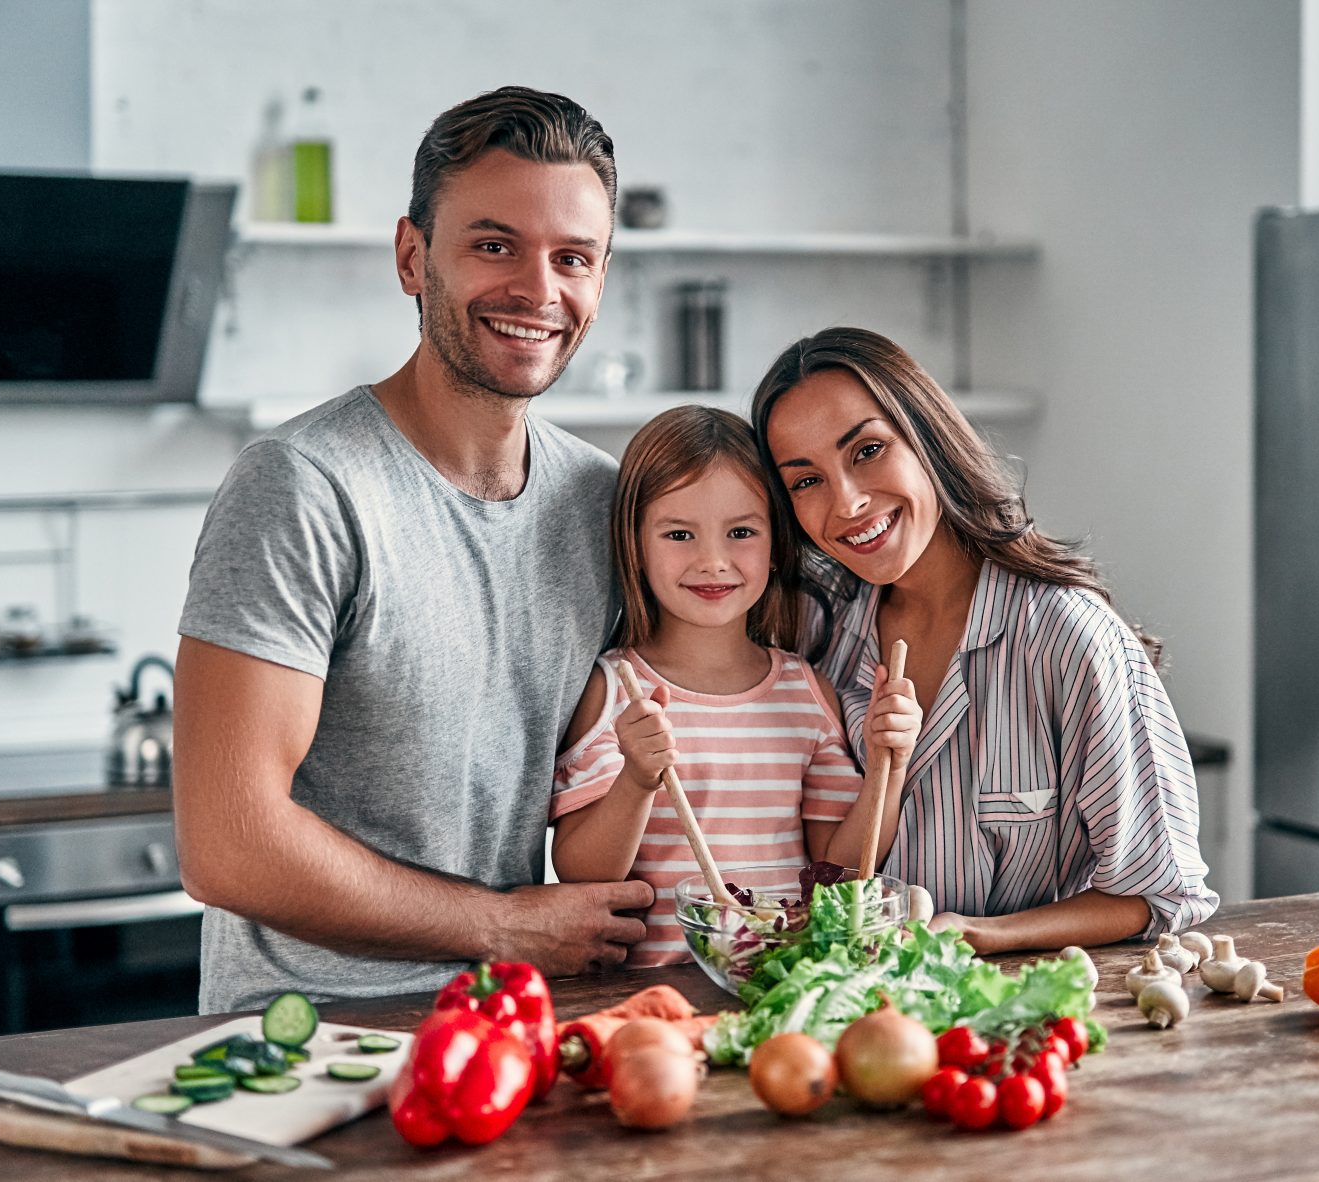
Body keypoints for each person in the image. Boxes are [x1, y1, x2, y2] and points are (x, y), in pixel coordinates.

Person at [172, 86, 654, 1014]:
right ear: (411, 256)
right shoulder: (304, 486)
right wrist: (509, 927)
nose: (537, 290)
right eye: (493, 245)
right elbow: (227, 843)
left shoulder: (605, 502)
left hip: (511, 1025)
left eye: (573, 258)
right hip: (310, 1037)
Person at [751, 327, 1219, 954]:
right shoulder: (812, 637)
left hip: (1020, 1017)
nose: (849, 502)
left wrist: (981, 935)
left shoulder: (1066, 637)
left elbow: (1161, 893)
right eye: (806, 481)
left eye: (866, 451)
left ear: (928, 439)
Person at [548, 406, 922, 966]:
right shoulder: (613, 690)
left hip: (781, 988)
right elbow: (584, 872)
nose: (713, 561)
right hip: (656, 1000)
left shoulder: (806, 692)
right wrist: (637, 780)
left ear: (776, 546)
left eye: (741, 532)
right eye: (679, 534)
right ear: (635, 545)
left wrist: (886, 767)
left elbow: (840, 871)